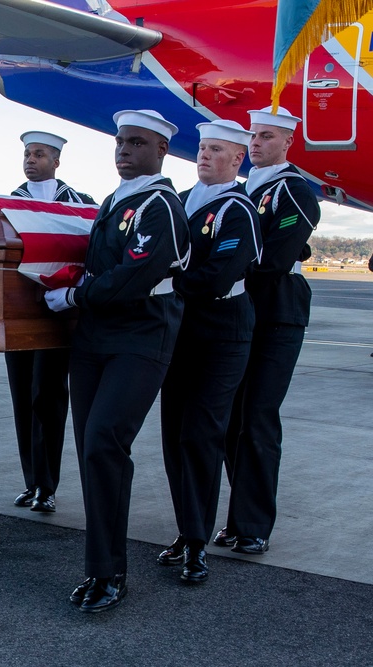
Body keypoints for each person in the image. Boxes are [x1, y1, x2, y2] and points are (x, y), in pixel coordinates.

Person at [44, 110, 190, 612]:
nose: (124, 150)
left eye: (137, 143)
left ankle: (110, 573)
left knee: (105, 442)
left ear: (161, 151)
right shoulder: (114, 201)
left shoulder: (162, 204)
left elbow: (137, 272)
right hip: (95, 339)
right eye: (120, 142)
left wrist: (77, 296)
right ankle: (100, 566)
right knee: (90, 450)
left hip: (141, 335)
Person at [157, 120, 261, 583]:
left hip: (222, 330)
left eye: (215, 150)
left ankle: (198, 544)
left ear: (237, 159)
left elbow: (218, 277)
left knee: (201, 435)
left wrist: (161, 281)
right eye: (201, 148)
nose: (203, 156)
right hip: (180, 329)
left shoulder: (238, 209)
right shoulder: (181, 201)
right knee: (174, 433)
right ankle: (186, 528)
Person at [216, 107, 320, 555]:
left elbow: (275, 259)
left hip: (276, 312)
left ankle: (254, 524)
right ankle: (239, 519)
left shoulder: (295, 191)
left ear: (287, 143)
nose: (257, 143)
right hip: (239, 311)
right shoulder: (239, 192)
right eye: (253, 136)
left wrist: (221, 272)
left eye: (268, 137)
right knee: (232, 418)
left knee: (257, 416)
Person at [6, 131, 95, 513]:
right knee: (23, 398)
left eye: (39, 154)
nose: (30, 159)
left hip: (58, 315)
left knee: (49, 398)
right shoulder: (7, 204)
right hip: (18, 315)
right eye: (27, 153)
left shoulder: (80, 204)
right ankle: (31, 480)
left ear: (56, 161)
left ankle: (47, 484)